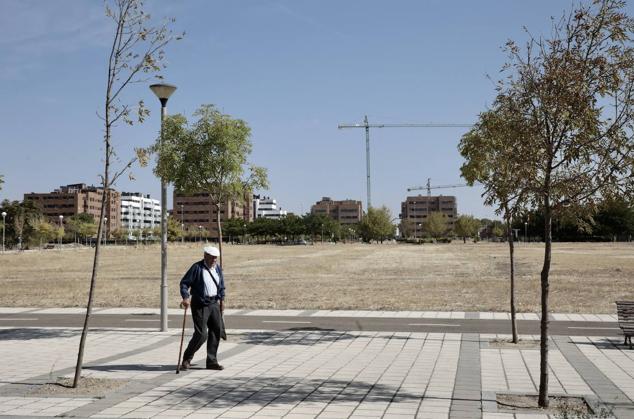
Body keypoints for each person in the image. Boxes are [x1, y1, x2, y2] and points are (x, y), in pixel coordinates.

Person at [179, 246, 225, 370]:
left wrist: (222, 300)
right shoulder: (197, 268)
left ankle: (211, 361)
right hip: (200, 304)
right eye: (212, 257)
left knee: (216, 331)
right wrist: (185, 297)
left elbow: (221, 286)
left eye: (216, 258)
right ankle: (186, 359)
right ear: (205, 256)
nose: (215, 260)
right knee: (201, 334)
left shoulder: (217, 269)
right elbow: (184, 283)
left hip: (214, 303)